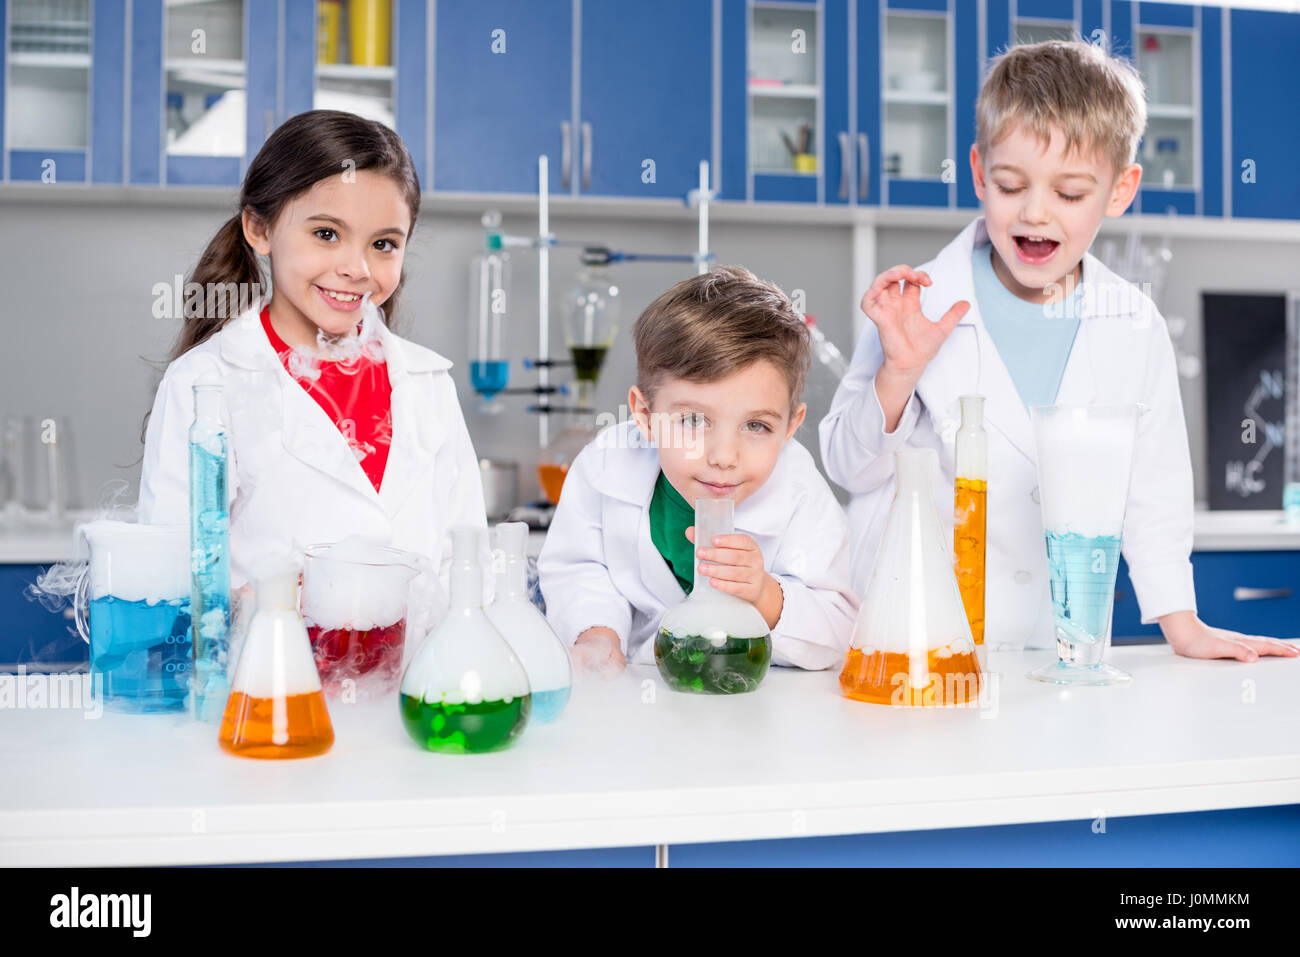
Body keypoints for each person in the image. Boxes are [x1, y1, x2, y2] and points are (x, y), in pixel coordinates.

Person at [820, 40, 1296, 662]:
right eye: (1010, 185)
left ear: (1120, 191)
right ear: (977, 173)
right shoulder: (919, 308)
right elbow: (849, 468)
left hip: (1048, 644)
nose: (1035, 213)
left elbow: (1154, 489)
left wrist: (1184, 625)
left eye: (1070, 193)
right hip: (906, 636)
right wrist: (898, 374)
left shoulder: (1131, 323)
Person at [138, 110, 485, 638]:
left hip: (416, 702)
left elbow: (469, 561)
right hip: (272, 692)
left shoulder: (428, 382)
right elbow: (165, 582)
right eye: (326, 234)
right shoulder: (206, 383)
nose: (357, 268)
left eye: (384, 244)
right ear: (260, 229)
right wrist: (248, 606)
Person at [538, 266, 859, 677]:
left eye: (756, 426)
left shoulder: (800, 493)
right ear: (645, 414)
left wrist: (764, 594)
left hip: (758, 708)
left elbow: (836, 630)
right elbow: (579, 568)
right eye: (693, 421)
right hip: (634, 694)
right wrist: (598, 633)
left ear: (790, 427)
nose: (724, 456)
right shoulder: (606, 464)